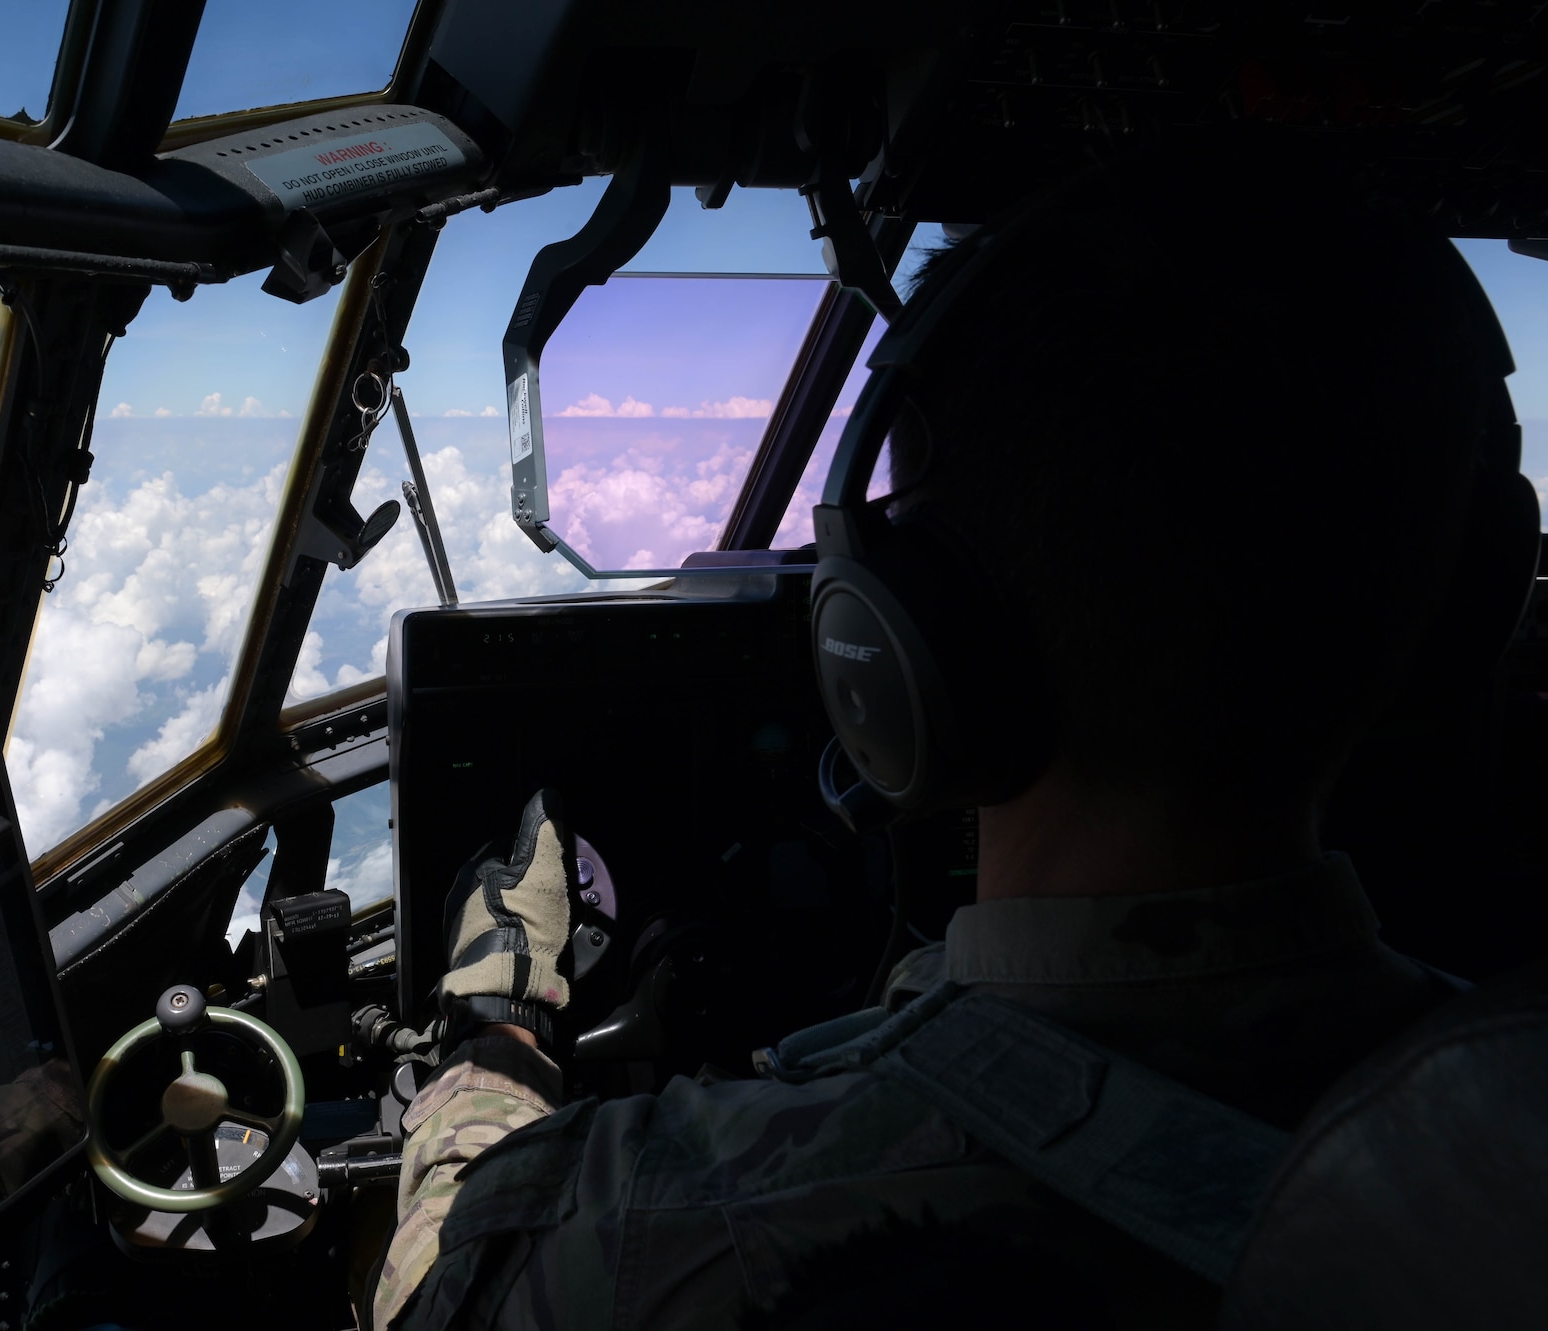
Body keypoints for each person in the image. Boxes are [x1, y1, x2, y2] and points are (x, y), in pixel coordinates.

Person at [373, 153, 1512, 1329]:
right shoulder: (1501, 1116)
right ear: (1467, 613)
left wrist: (494, 1016)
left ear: (907, 634)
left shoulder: (671, 1228)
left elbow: (438, 1293)